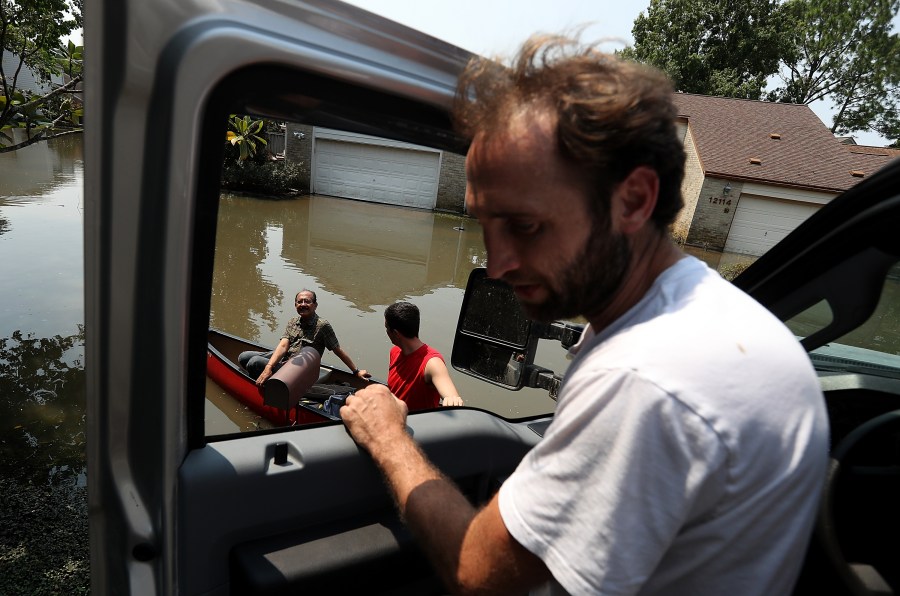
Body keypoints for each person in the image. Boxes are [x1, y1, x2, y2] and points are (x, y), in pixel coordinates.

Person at [339, 35, 829, 595]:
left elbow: (480, 574)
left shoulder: (645, 379)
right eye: (484, 223)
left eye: (524, 226)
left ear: (633, 200)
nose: (496, 265)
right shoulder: (708, 313)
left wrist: (387, 436)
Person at [239, 289, 369, 386]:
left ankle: (266, 385)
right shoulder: (293, 321)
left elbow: (337, 350)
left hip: (300, 371)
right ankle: (266, 377)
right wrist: (268, 367)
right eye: (299, 302)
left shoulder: (322, 326)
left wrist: (356, 371)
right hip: (286, 359)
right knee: (243, 357)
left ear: (315, 305)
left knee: (254, 363)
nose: (303, 304)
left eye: (307, 301)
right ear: (295, 305)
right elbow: (283, 346)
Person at [384, 301, 464, 410]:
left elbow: (450, 395)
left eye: (387, 329)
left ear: (396, 334)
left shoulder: (432, 362)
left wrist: (452, 399)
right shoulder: (394, 352)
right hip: (394, 419)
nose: (386, 332)